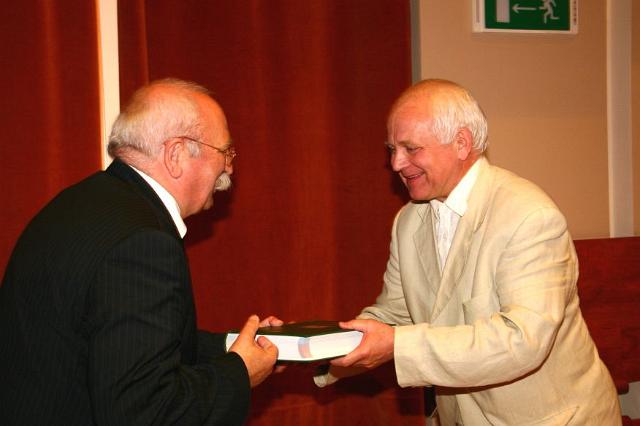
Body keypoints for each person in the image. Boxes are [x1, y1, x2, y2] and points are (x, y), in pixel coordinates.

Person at [317, 79, 621, 425]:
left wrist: (398, 345)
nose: (397, 163)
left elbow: (522, 341)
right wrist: (313, 347)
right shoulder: (408, 221)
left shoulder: (529, 215)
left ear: (461, 143)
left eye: (411, 148)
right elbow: (396, 313)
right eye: (392, 149)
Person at [0, 78, 280, 425]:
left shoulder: (77, 203)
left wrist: (234, 346)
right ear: (176, 154)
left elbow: (123, 344)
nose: (229, 168)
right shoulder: (143, 243)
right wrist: (239, 372)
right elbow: (146, 411)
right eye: (225, 152)